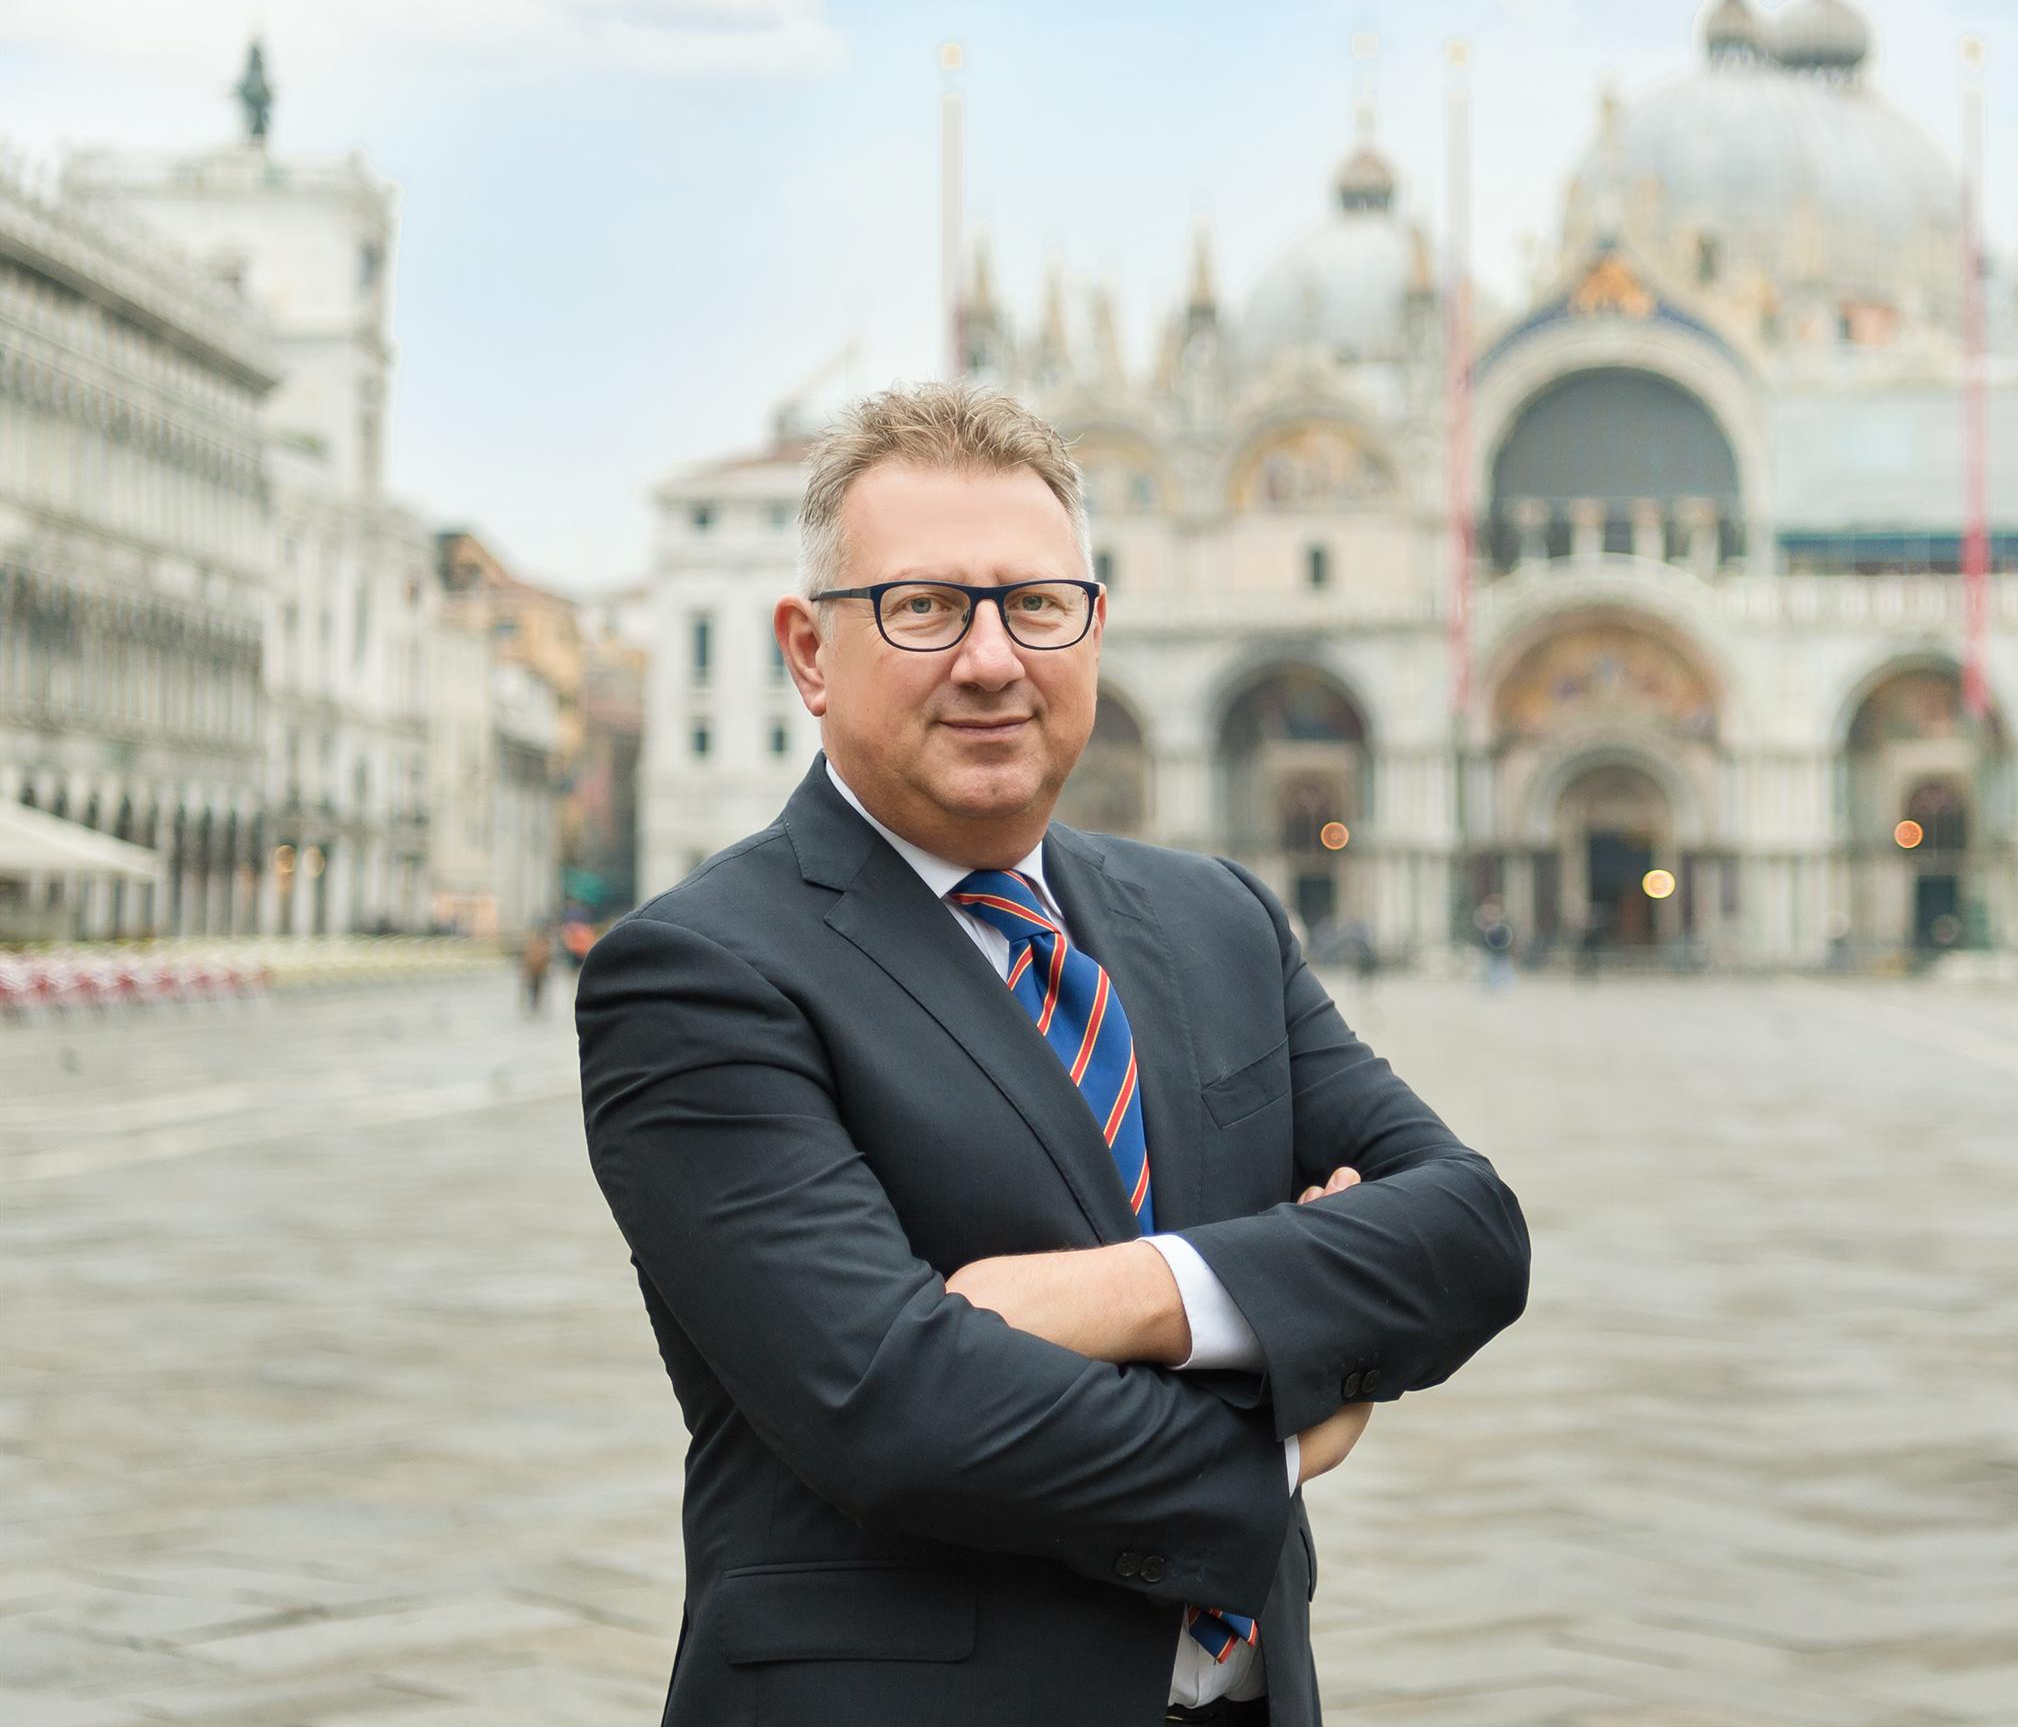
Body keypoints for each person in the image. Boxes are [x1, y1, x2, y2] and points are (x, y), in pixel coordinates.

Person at [575, 385, 1530, 1727]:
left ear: (1092, 628)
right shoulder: (699, 971)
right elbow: (895, 1404)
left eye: (1036, 605)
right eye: (923, 607)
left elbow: (1470, 1234)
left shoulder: (1218, 922)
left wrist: (1139, 1294)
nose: (989, 659)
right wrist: (1284, 1413)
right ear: (808, 652)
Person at [517, 925, 552, 1016]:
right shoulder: (532, 945)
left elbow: (546, 958)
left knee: (538, 989)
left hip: (539, 971)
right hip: (532, 971)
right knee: (532, 989)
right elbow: (526, 959)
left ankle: (536, 1005)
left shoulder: (543, 945)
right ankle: (533, 1006)